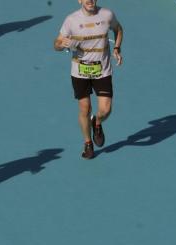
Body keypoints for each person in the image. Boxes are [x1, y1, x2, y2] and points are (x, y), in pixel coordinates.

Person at [54, 0, 123, 159]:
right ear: (79, 1)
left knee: (106, 110)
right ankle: (88, 144)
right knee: (85, 108)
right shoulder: (71, 20)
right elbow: (56, 44)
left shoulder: (107, 15)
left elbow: (118, 29)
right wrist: (61, 44)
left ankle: (96, 122)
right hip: (80, 72)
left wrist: (117, 48)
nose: (90, 0)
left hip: (102, 70)